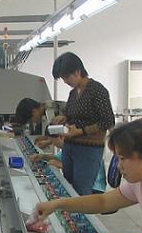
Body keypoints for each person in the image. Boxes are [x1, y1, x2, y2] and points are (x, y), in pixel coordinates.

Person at [49, 52, 115, 195]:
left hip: (88, 150)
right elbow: (72, 115)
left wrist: (81, 131)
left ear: (77, 72)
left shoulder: (97, 90)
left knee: (81, 191)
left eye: (66, 77)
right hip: (70, 147)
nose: (65, 81)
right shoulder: (73, 93)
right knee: (68, 188)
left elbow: (108, 121)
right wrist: (64, 118)